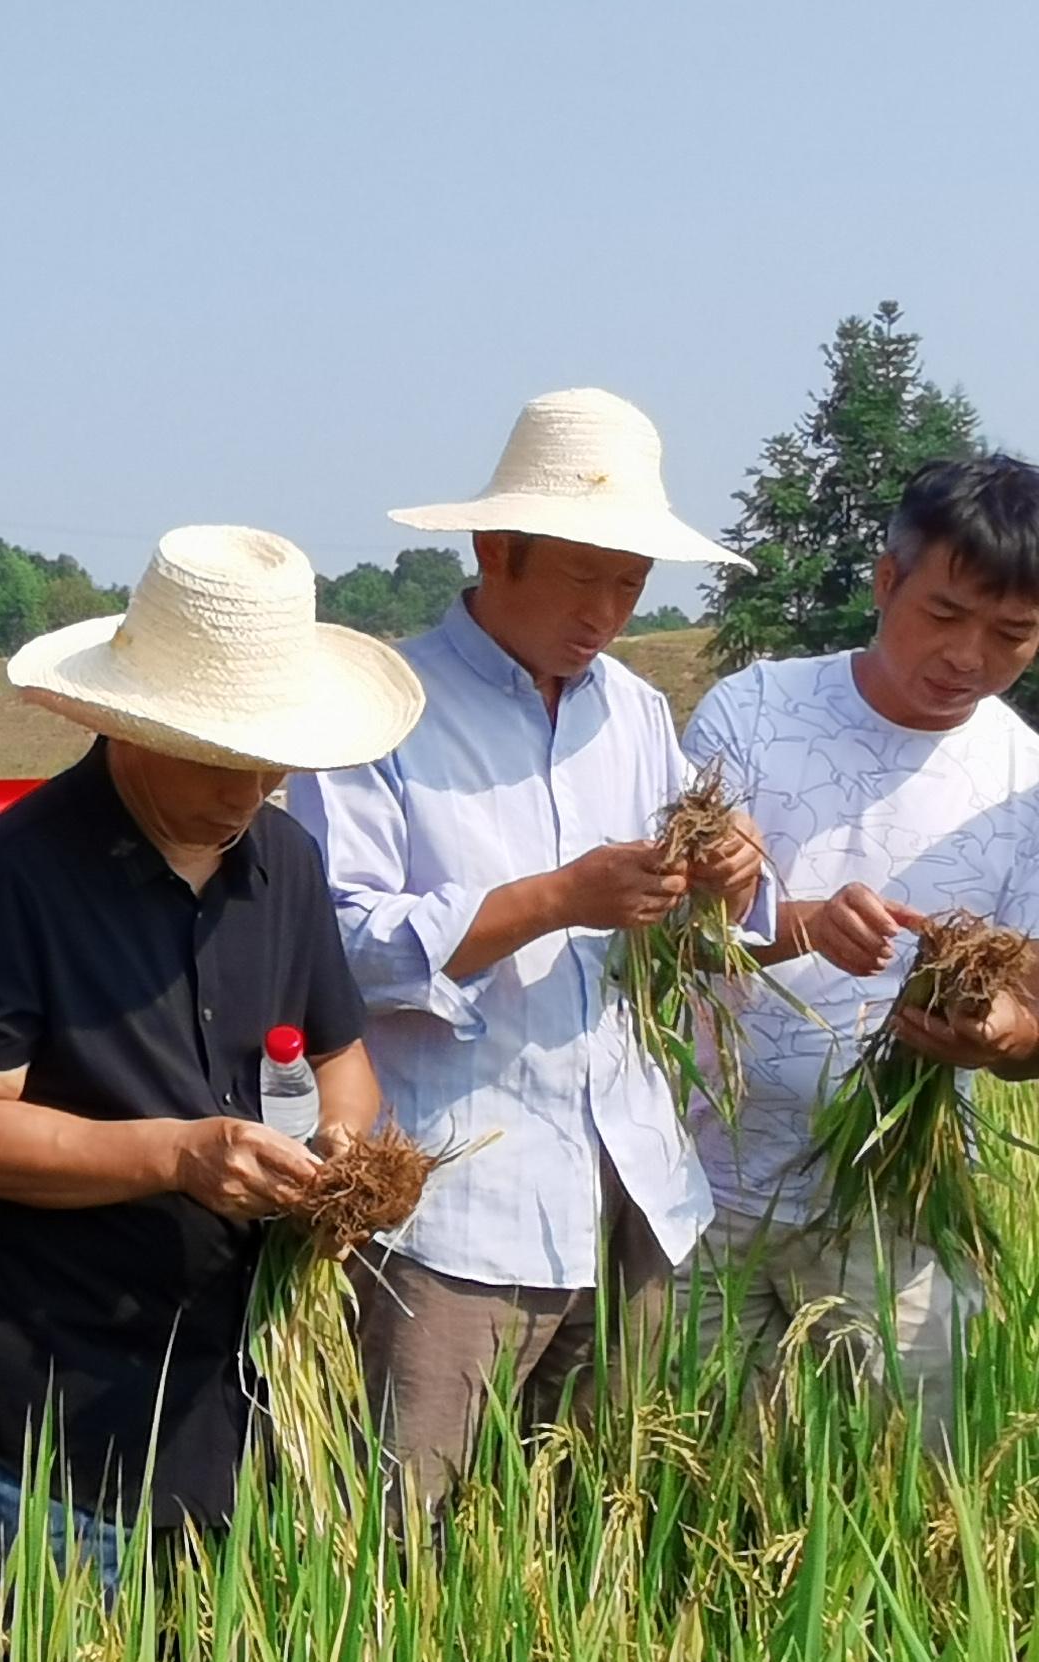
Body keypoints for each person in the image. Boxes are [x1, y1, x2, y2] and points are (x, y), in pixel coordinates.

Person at [0, 524, 418, 1576]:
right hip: (56, 1433)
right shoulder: (11, 880)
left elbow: (343, 1061)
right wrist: (181, 1157)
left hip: (250, 1411)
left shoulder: (284, 858)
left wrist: (340, 1159)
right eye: (219, 756)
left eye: (268, 757)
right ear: (131, 728)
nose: (251, 786)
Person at [306, 388, 764, 1504]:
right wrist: (554, 897)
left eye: (631, 582)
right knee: (412, 1533)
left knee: (603, 1528)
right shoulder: (381, 714)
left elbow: (689, 938)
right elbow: (339, 947)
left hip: (631, 1192)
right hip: (457, 1205)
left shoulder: (638, 713)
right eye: (583, 575)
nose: (608, 610)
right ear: (495, 549)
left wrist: (728, 879)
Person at [680, 454, 1039, 1458]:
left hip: (892, 1200)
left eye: (1013, 634)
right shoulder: (751, 714)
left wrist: (998, 1036)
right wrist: (804, 921)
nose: (970, 656)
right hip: (696, 1183)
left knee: (898, 1484)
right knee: (688, 1478)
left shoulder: (1035, 790)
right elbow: (669, 931)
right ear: (885, 581)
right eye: (946, 614)